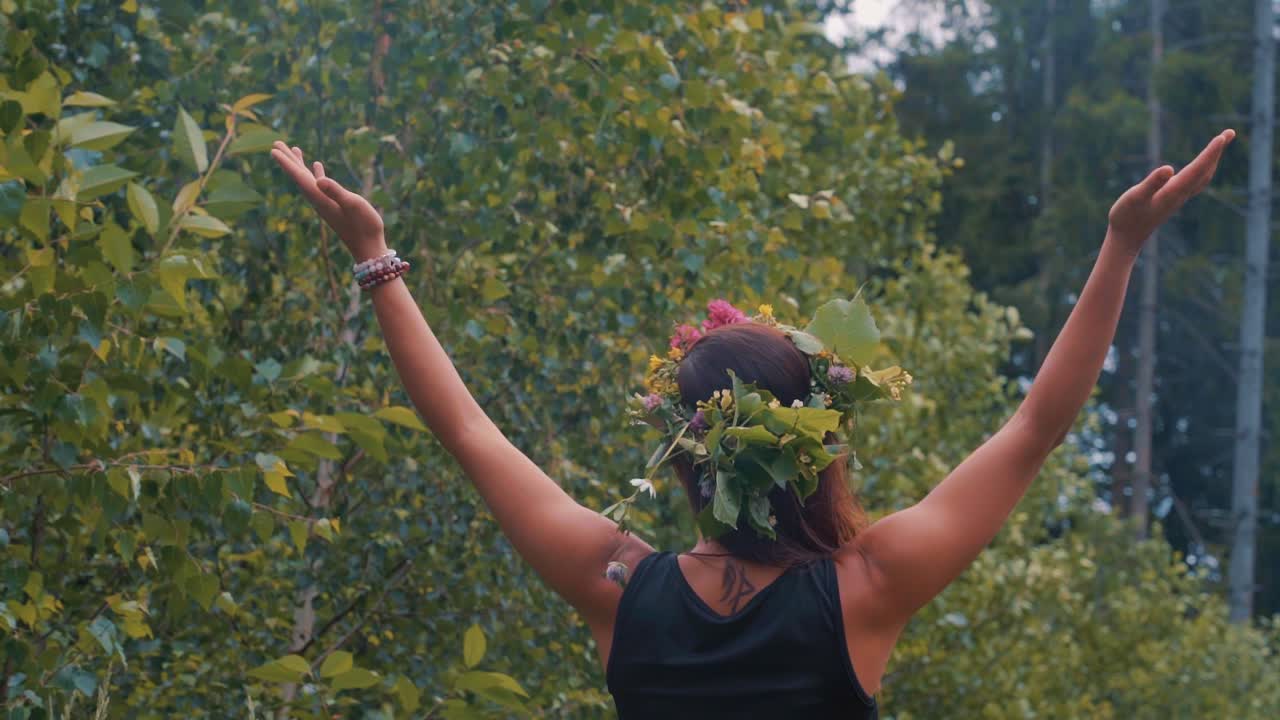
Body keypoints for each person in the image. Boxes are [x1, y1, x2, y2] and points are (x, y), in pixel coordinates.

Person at [271, 129, 1234, 718]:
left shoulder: (618, 586)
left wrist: (375, 257)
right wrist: (1120, 245)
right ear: (820, 448)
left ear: (685, 454)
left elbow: (469, 433)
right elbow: (1035, 429)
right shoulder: (866, 588)